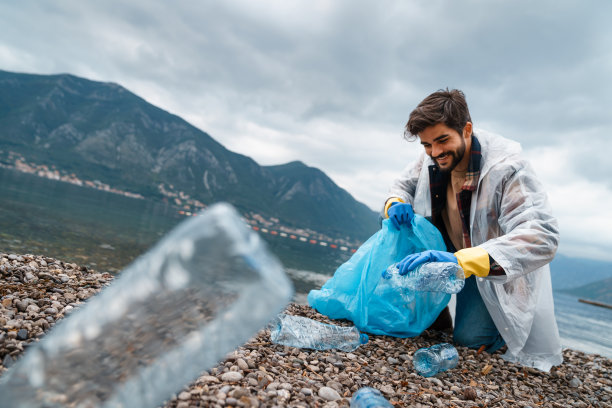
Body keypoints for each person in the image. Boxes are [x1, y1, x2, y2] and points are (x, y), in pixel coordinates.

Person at [384, 88, 562, 371]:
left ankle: (497, 333)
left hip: (487, 268)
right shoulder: (432, 157)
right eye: (427, 145)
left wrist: (461, 261)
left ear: (466, 129)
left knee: (469, 340)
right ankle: (436, 315)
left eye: (442, 140)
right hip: (447, 252)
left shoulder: (507, 169)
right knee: (393, 226)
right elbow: (403, 185)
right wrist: (395, 203)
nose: (435, 152)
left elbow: (543, 236)